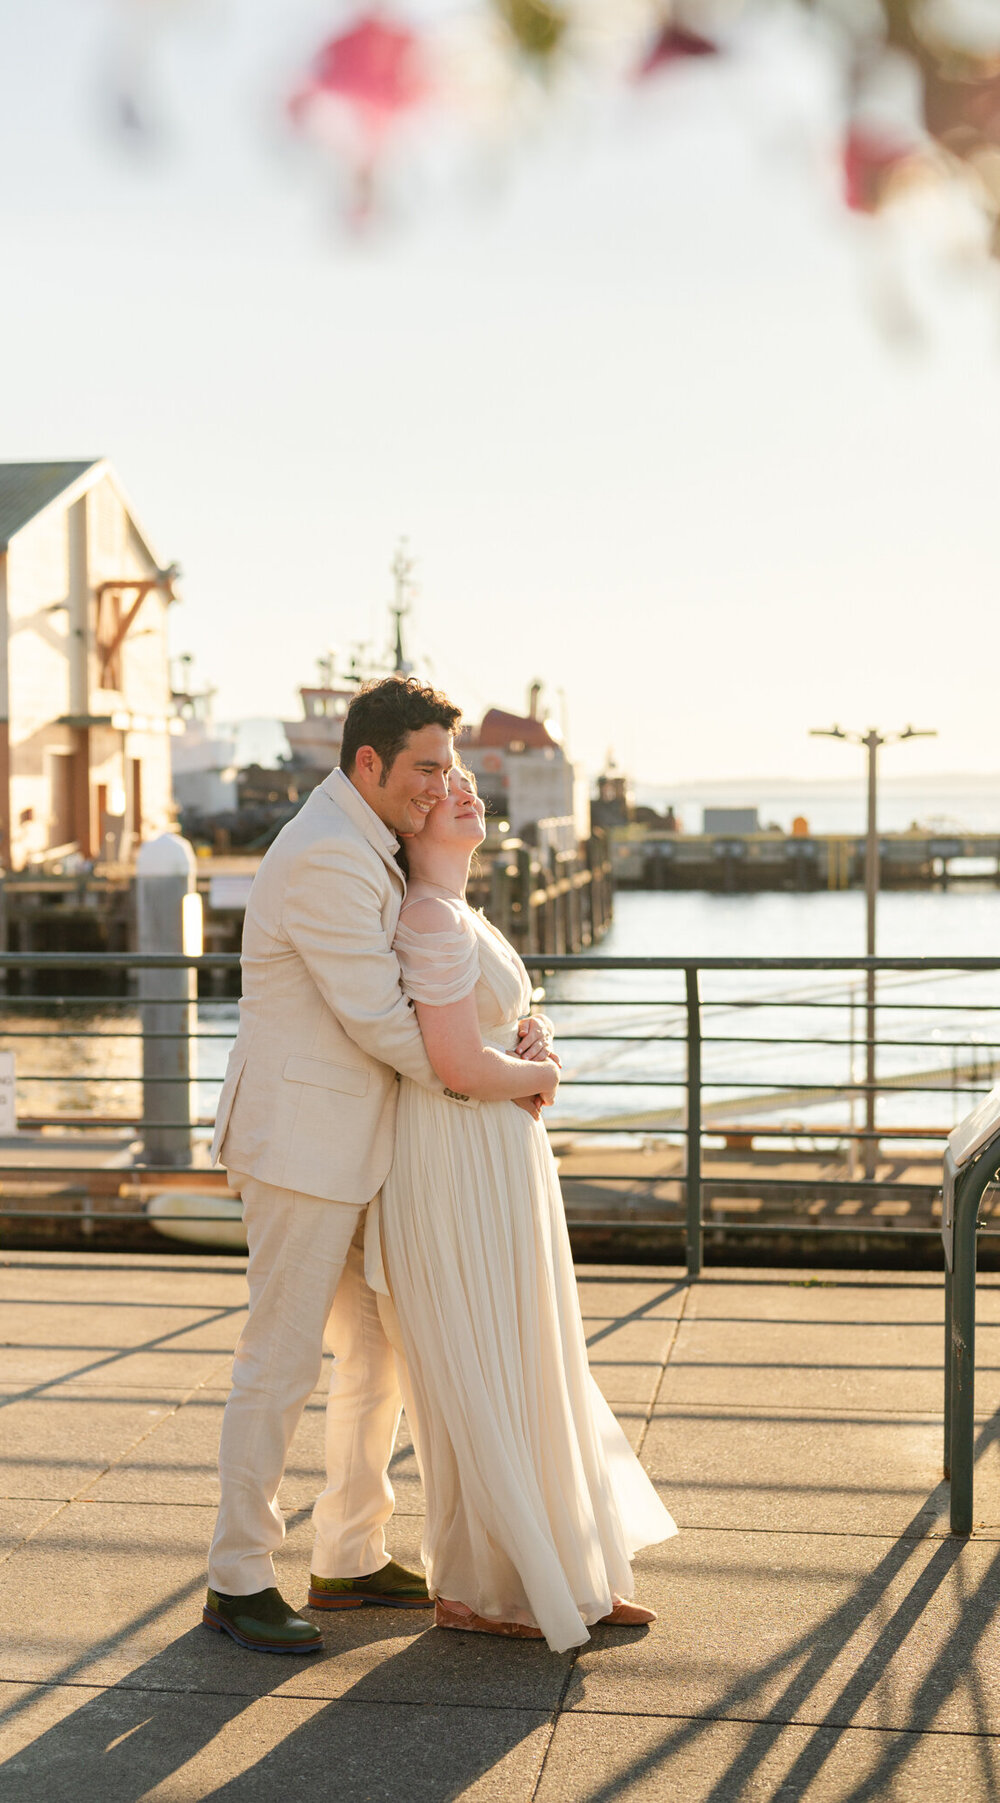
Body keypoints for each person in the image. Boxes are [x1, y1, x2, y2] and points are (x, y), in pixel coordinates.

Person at [203, 678, 555, 1654]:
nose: (441, 785)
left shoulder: (370, 841)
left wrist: (503, 1036)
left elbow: (433, 985)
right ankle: (237, 1576)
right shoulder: (327, 854)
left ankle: (350, 1554)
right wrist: (491, 1076)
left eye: (448, 766)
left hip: (363, 1148)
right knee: (278, 1362)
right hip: (301, 1147)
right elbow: (382, 1020)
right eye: (426, 767)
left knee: (377, 1355)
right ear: (369, 762)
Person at [373, 765, 678, 1651]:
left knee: (529, 1350)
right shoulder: (429, 916)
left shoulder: (459, 912)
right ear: (413, 817)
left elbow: (487, 1031)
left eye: (470, 781)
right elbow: (457, 1064)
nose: (465, 791)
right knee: (487, 1358)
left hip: (497, 1150)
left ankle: (566, 1568)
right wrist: (539, 1071)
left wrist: (532, 1038)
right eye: (445, 784)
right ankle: (484, 1583)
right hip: (458, 1152)